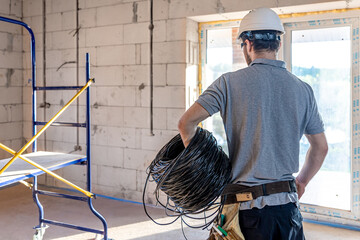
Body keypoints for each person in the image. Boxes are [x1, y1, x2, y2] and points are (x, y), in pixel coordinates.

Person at [178, 7, 328, 240]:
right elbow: (320, 148)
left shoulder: (227, 83)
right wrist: (302, 181)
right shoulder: (303, 89)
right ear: (277, 44)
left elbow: (186, 123)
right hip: (288, 210)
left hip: (247, 213)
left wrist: (205, 169)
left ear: (247, 43)